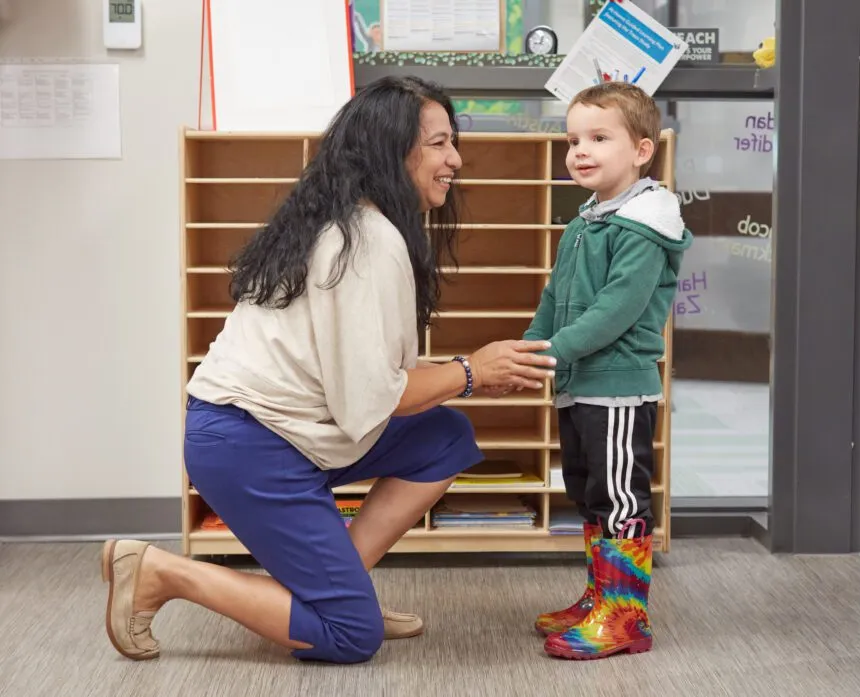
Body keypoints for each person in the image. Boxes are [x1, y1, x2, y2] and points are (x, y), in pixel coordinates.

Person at [99, 76, 557, 665]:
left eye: (452, 143)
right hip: (250, 444)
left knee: (443, 437)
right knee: (349, 637)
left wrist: (463, 375)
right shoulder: (366, 241)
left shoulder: (355, 223)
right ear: (392, 151)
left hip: (279, 432)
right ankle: (162, 573)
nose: (455, 160)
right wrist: (471, 371)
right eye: (440, 144)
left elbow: (369, 378)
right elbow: (372, 398)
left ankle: (337, 591)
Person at [524, 82, 693, 660]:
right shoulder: (585, 223)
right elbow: (555, 298)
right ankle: (601, 598)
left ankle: (626, 618)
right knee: (592, 494)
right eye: (573, 139)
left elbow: (616, 311)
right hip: (580, 386)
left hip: (618, 388)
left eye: (599, 137)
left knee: (621, 499)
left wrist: (555, 352)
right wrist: (531, 347)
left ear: (642, 151)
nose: (580, 151)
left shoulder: (644, 226)